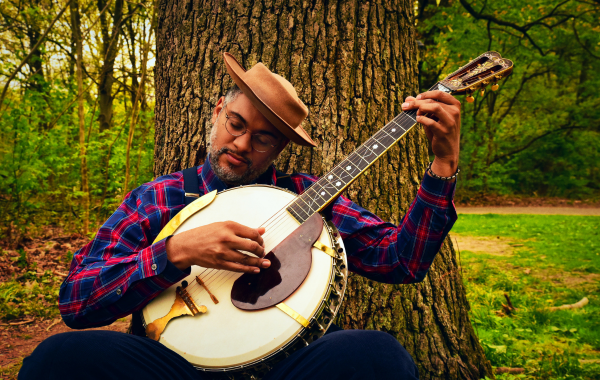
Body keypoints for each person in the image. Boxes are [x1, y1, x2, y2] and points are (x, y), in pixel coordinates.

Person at [19, 52, 460, 380]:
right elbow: (76, 301)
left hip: (285, 371)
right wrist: (174, 252)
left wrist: (442, 166)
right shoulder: (158, 198)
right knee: (57, 359)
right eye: (236, 123)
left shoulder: (309, 196)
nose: (243, 144)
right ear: (217, 112)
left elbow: (401, 261)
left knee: (379, 355)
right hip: (173, 370)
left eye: (264, 139)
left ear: (281, 149)